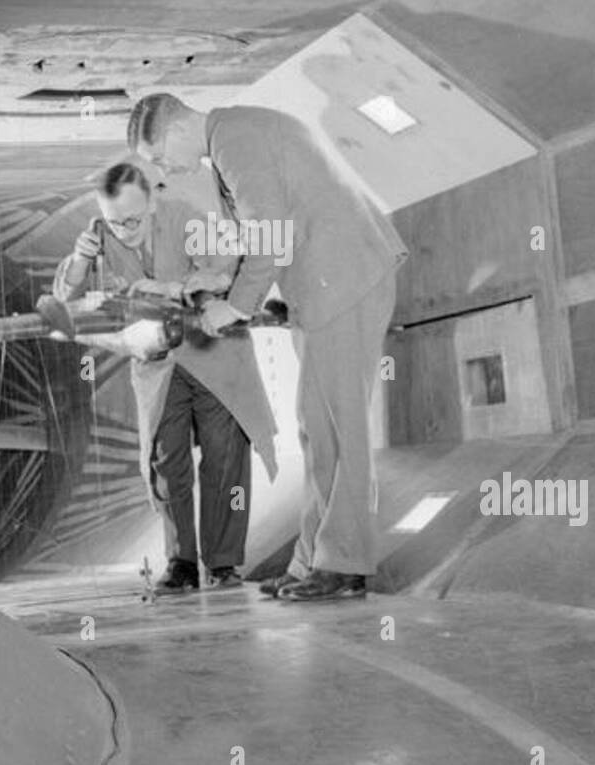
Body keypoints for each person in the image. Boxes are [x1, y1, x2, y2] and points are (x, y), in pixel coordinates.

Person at [127, 95, 407, 602]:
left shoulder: (235, 138)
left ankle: (345, 564)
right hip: (323, 285)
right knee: (314, 426)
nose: (163, 169)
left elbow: (271, 233)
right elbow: (274, 227)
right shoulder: (240, 134)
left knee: (340, 426)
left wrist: (236, 307)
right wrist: (226, 283)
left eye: (158, 157)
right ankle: (312, 562)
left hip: (345, 278)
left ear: (172, 131)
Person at [52, 161, 276, 594]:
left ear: (152, 201)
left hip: (215, 356)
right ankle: (181, 563)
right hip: (159, 364)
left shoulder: (189, 217)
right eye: (116, 222)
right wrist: (80, 258)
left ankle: (224, 565)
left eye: (133, 220)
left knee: (224, 460)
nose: (124, 230)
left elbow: (227, 272)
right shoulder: (100, 234)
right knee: (166, 463)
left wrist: (174, 287)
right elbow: (64, 300)